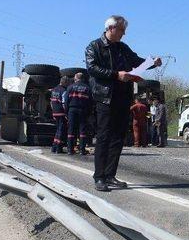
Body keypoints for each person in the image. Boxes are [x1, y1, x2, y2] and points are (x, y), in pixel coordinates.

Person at [85, 15, 162, 192]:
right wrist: (116, 75)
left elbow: (137, 62)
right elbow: (92, 68)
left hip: (122, 97)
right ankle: (99, 177)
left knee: (118, 137)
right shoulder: (94, 46)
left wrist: (152, 63)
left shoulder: (122, 48)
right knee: (104, 137)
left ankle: (110, 175)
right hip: (105, 98)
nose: (124, 33)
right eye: (121, 30)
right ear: (111, 28)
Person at [63, 72, 91, 155]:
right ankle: (82, 150)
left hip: (72, 110)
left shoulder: (70, 87)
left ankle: (70, 150)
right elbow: (90, 102)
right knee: (82, 130)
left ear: (75, 79)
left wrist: (66, 113)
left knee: (71, 129)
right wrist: (88, 113)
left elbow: (66, 101)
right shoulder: (87, 88)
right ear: (83, 79)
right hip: (83, 110)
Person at [50, 76, 69, 153]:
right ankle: (58, 147)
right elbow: (64, 103)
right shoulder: (63, 91)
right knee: (61, 130)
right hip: (61, 112)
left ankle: (54, 147)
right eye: (67, 82)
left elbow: (51, 102)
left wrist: (53, 112)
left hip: (55, 112)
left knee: (58, 129)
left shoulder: (54, 89)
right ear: (65, 82)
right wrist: (66, 113)